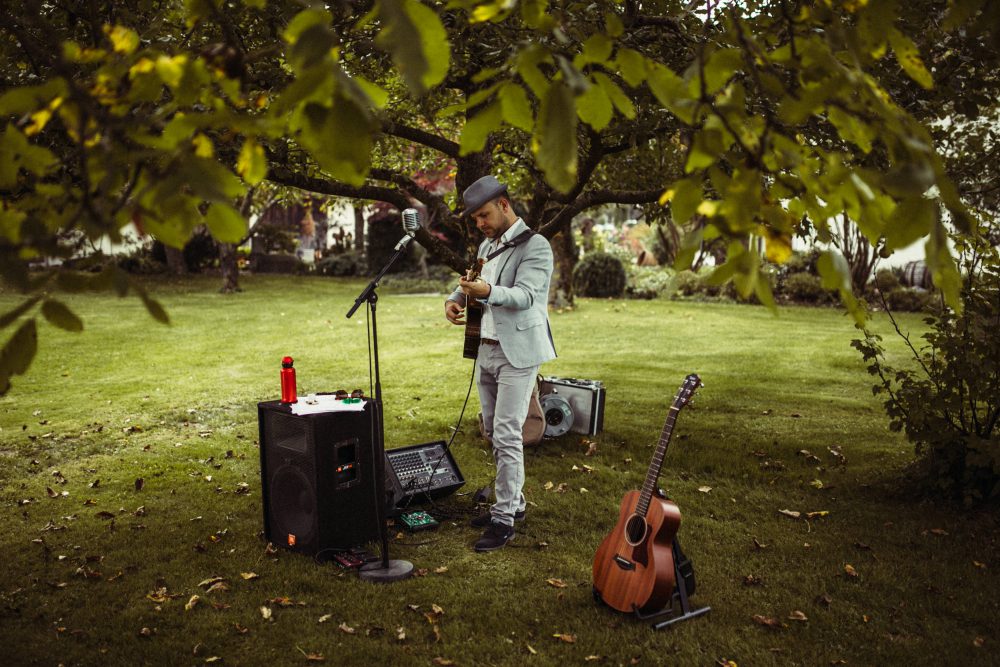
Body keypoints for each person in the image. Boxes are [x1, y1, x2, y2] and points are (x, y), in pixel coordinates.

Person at [445, 175, 557, 552]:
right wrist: (455, 300)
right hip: (485, 348)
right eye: (476, 218)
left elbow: (526, 296)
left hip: (518, 353)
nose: (480, 223)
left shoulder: (536, 246)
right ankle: (515, 503)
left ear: (505, 205)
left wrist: (487, 292)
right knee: (492, 429)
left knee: (508, 433)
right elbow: (473, 280)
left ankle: (504, 517)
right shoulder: (487, 245)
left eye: (484, 215)